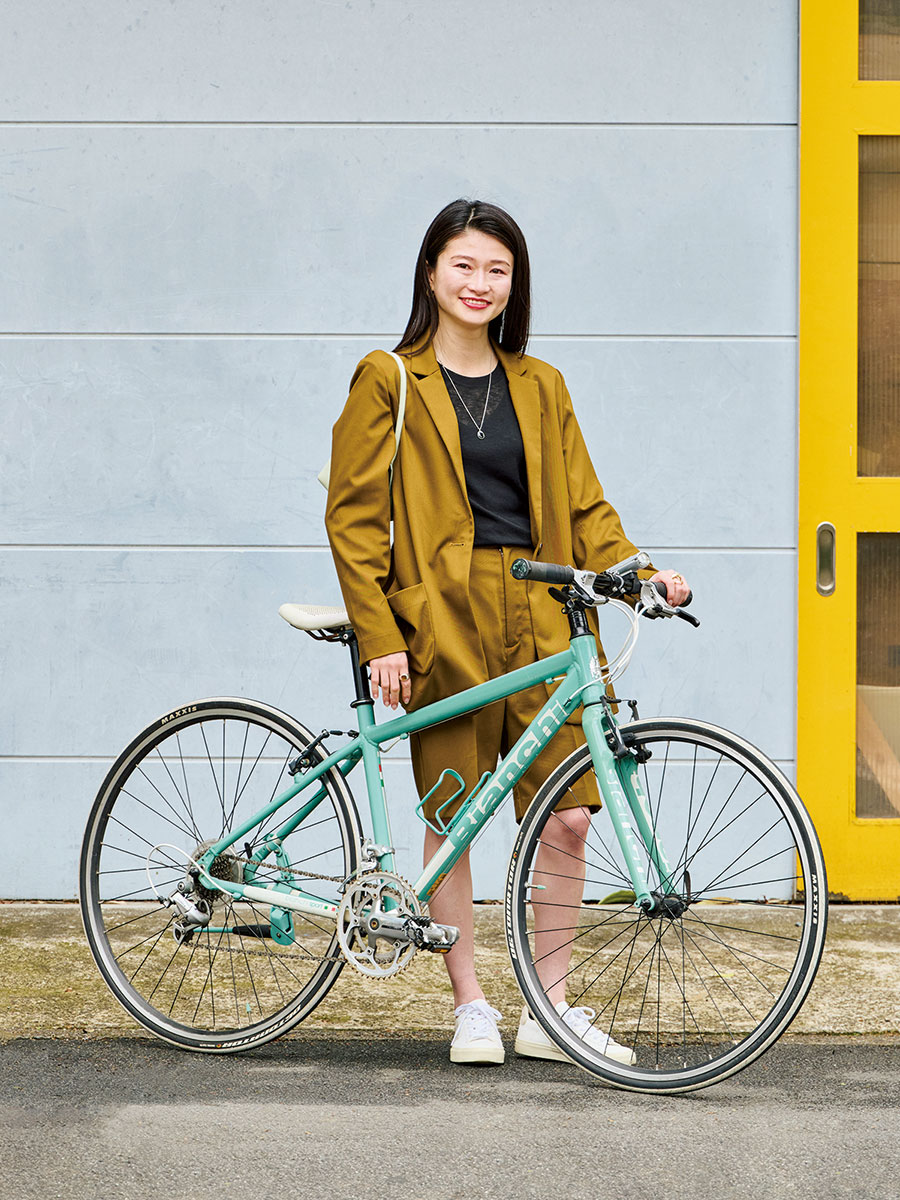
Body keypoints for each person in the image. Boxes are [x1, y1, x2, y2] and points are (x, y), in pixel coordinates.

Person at [325, 199, 690, 1066]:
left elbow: (587, 507)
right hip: (440, 619)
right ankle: (470, 1006)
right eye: (464, 266)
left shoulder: (541, 384)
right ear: (430, 273)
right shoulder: (390, 379)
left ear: (512, 282)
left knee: (568, 820)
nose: (479, 283)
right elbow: (353, 517)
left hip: (544, 608)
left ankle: (550, 1009)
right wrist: (380, 634)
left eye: (497, 269)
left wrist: (638, 572)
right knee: (454, 815)